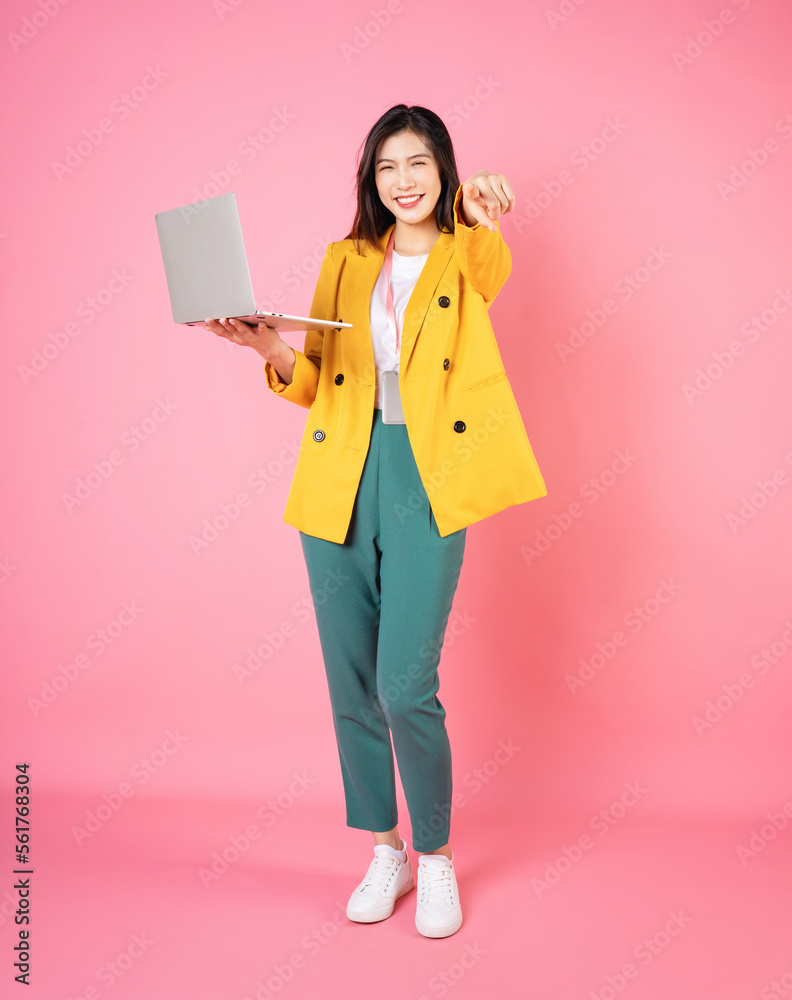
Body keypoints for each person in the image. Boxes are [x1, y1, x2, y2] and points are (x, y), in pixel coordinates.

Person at [203, 104, 547, 939]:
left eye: (419, 163)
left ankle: (436, 858)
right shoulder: (346, 260)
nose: (404, 180)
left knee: (404, 686)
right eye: (388, 166)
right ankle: (385, 848)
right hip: (338, 481)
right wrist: (265, 349)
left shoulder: (469, 251)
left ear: (445, 171)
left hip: (428, 477)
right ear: (371, 178)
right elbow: (320, 378)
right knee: (351, 686)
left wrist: (486, 211)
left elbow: (492, 269)